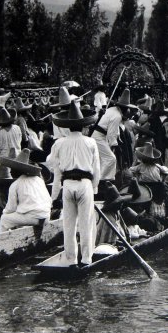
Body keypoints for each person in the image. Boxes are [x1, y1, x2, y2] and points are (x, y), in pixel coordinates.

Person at [46, 101, 101, 266]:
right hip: (85, 184)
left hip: (67, 185)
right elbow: (96, 170)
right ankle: (86, 260)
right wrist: (93, 188)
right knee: (86, 224)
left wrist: (54, 198)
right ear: (83, 126)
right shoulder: (90, 142)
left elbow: (55, 170)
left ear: (68, 127)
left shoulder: (59, 143)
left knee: (68, 226)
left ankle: (71, 260)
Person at [0, 149, 52, 232]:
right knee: (19, 215)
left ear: (18, 171)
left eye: (13, 169)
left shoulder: (15, 184)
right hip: (46, 216)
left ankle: (0, 243)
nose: (11, 172)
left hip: (33, 217)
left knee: (4, 219)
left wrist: (4, 212)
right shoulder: (39, 179)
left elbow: (10, 208)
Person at [92, 88, 136, 183]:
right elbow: (111, 134)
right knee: (111, 159)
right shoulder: (117, 116)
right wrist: (115, 145)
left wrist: (116, 141)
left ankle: (101, 178)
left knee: (103, 159)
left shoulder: (112, 110)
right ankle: (103, 180)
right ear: (124, 109)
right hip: (99, 136)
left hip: (100, 136)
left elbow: (115, 132)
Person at [0, 108, 22, 176]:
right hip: (17, 156)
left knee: (6, 176)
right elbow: (19, 141)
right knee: (16, 175)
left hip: (5, 159)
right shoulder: (17, 128)